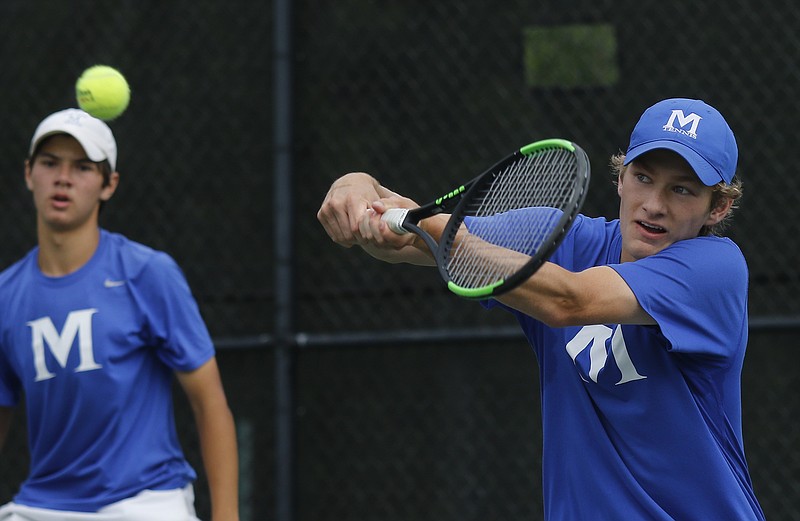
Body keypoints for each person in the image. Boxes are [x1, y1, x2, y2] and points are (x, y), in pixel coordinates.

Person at [317, 98, 765, 520]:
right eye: (643, 178)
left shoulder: (716, 270)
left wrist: (434, 229)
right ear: (620, 177)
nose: (654, 204)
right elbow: (419, 238)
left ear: (718, 207)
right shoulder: (568, 238)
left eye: (681, 190)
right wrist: (357, 187)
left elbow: (569, 300)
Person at [0, 109, 239, 521]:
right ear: (28, 173)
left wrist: (227, 517)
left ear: (108, 185)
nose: (63, 178)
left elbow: (209, 401)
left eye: (83, 167)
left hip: (146, 502)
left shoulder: (147, 273)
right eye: (50, 163)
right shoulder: (5, 295)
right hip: (42, 506)